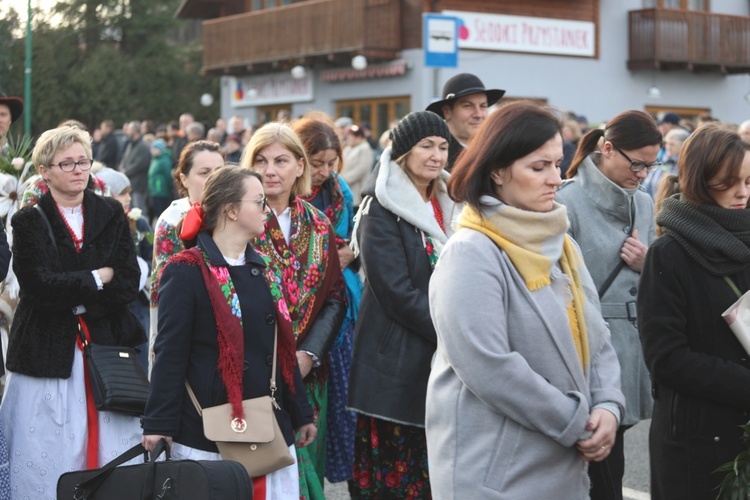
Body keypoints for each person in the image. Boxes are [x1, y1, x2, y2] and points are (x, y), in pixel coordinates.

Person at [425, 101, 624, 499]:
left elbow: (596, 335)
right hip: (495, 472)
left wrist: (607, 404)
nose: (555, 178)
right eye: (539, 167)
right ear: (497, 170)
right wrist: (576, 420)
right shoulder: (471, 250)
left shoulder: (562, 242)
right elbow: (488, 364)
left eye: (557, 163)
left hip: (562, 462)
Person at [142, 166, 316, 499]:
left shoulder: (264, 268)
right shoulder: (186, 269)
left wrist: (301, 411)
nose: (267, 210)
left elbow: (281, 350)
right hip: (208, 429)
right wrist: (158, 423)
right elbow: (170, 352)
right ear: (231, 210)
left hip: (266, 425)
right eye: (259, 201)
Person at [0, 126, 146, 496]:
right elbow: (38, 287)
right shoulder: (28, 220)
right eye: (67, 163)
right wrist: (97, 277)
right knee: (47, 446)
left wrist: (73, 285)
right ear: (45, 171)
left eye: (84, 161)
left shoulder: (111, 213)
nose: (78, 170)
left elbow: (128, 281)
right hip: (45, 352)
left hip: (106, 350)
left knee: (111, 444)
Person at [347, 111, 456, 498]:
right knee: (396, 482)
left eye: (443, 147)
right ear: (403, 152)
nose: (436, 155)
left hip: (442, 358)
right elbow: (394, 292)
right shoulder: (381, 208)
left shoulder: (452, 203)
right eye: (426, 146)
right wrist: (453, 330)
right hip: (394, 362)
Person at [638, 124, 750, 499]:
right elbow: (666, 358)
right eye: (729, 182)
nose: (742, 193)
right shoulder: (669, 253)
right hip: (696, 438)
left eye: (749, 180)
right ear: (701, 180)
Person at [556, 109, 662, 499]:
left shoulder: (644, 203)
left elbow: (649, 276)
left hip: (637, 344)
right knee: (602, 459)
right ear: (608, 149)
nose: (644, 174)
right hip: (592, 344)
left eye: (652, 165)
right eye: (637, 163)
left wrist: (646, 261)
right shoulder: (568, 201)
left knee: (613, 448)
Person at [240, 122, 347, 500]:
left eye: (281, 160)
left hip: (308, 375)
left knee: (309, 469)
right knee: (262, 479)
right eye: (261, 160)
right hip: (252, 374)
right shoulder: (234, 219)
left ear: (300, 167)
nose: (270, 170)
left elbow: (335, 297)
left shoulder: (318, 224)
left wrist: (308, 354)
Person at [293, 114, 362, 484]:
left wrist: (350, 252)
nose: (323, 171)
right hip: (302, 309)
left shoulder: (340, 193)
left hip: (342, 304)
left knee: (340, 399)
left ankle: (333, 472)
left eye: (330, 163)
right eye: (316, 162)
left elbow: (354, 244)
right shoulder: (288, 195)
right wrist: (338, 254)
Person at [149, 140, 225, 370]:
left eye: (220, 172)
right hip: (187, 330)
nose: (214, 179)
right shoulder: (172, 220)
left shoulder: (235, 212)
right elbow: (166, 287)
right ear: (184, 179)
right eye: (204, 173)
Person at [97, 166, 153, 370]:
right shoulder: (98, 225)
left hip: (137, 303)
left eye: (129, 193)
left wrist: (140, 267)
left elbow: (151, 256)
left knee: (139, 357)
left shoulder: (139, 223)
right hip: (112, 303)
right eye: (122, 193)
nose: (128, 198)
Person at [425, 73, 505, 171]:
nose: (478, 114)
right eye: (468, 106)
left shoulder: (496, 152)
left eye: (483, 106)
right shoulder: (434, 159)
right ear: (447, 112)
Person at [642, 128, 689, 198]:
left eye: (672, 144)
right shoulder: (660, 161)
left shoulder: (685, 164)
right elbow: (647, 185)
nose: (668, 147)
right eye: (667, 143)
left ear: (682, 146)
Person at [119, 120, 151, 215]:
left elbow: (140, 164)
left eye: (129, 129)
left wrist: (126, 171)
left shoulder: (142, 146)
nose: (127, 131)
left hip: (139, 184)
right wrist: (121, 168)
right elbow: (124, 159)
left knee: (139, 209)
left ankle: (143, 230)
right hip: (130, 183)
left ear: (135, 131)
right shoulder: (130, 144)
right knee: (131, 210)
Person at [341, 125, 373, 208]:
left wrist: (343, 180)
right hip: (346, 188)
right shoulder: (348, 148)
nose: (349, 138)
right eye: (349, 136)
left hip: (356, 190)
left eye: (353, 136)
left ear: (360, 137)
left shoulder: (365, 148)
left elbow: (361, 169)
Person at [147, 138, 174, 221]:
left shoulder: (164, 160)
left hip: (161, 191)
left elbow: (168, 175)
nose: (153, 150)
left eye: (156, 148)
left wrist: (169, 186)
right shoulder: (155, 160)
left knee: (161, 211)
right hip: (155, 190)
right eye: (153, 148)